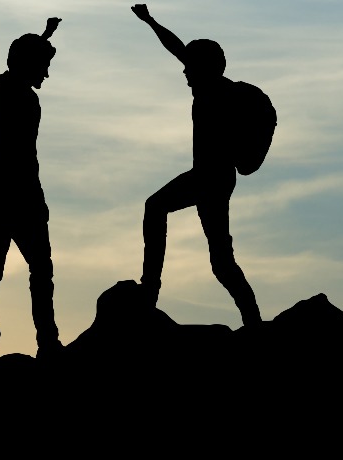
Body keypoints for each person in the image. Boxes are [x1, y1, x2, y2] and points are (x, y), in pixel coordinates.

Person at [130, 4, 262, 325]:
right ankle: (252, 320)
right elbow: (176, 47)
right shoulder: (210, 87)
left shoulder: (222, 92)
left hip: (212, 176)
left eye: (191, 67)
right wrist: (150, 21)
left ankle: (150, 290)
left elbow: (250, 126)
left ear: (206, 67)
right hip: (209, 175)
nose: (184, 72)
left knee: (155, 207)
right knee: (221, 260)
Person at [0, 17, 62, 357]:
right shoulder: (10, 91)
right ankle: (39, 341)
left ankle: (5, 340)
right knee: (15, 268)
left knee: (19, 268)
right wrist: (44, 37)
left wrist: (45, 36)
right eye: (44, 66)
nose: (47, 74)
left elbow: (24, 57)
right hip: (13, 192)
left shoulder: (8, 88)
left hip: (12, 191)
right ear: (29, 64)